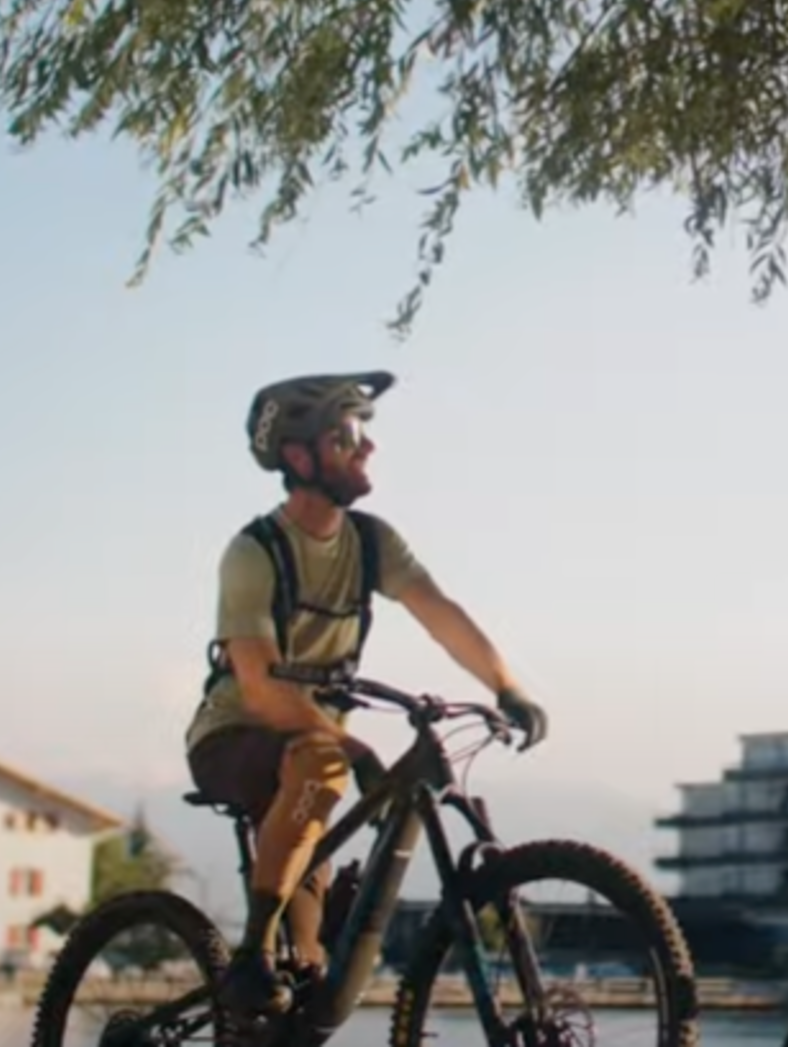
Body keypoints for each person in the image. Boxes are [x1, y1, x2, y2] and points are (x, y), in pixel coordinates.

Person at [185, 370, 550, 1016]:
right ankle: (249, 955)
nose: (367, 449)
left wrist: (506, 686)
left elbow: (440, 612)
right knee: (321, 763)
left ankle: (282, 968)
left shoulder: (371, 542)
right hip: (236, 736)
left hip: (313, 748)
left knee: (310, 983)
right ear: (298, 458)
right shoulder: (255, 552)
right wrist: (351, 747)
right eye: (347, 435)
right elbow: (263, 689)